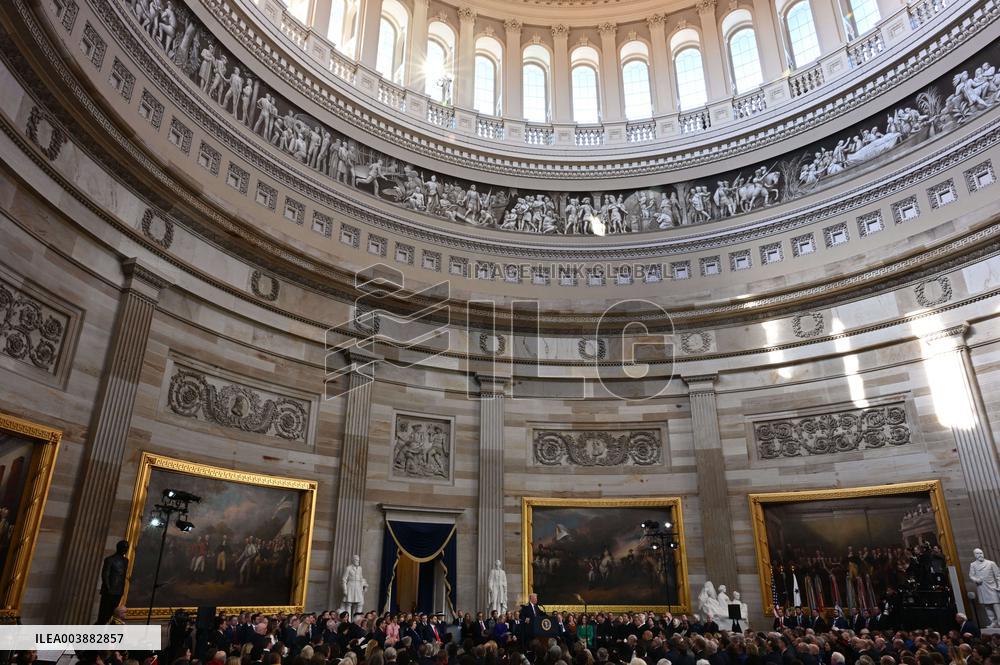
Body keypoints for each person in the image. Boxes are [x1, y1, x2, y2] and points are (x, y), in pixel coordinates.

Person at [97, 540, 129, 625]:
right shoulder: (110, 559)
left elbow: (123, 576)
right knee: (103, 616)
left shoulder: (126, 561)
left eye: (127, 548)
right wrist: (109, 589)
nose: (125, 550)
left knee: (113, 614)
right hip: (109, 592)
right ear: (119, 548)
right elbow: (105, 575)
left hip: (118, 591)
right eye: (124, 548)